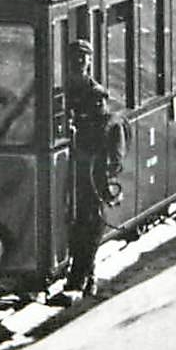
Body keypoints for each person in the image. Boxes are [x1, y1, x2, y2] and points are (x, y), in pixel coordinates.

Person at [65, 39, 111, 294]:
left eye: (84, 58)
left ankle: (82, 275)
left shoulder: (96, 94)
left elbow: (103, 133)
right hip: (66, 165)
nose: (80, 63)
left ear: (90, 61)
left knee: (89, 220)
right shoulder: (62, 90)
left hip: (86, 165)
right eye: (75, 58)